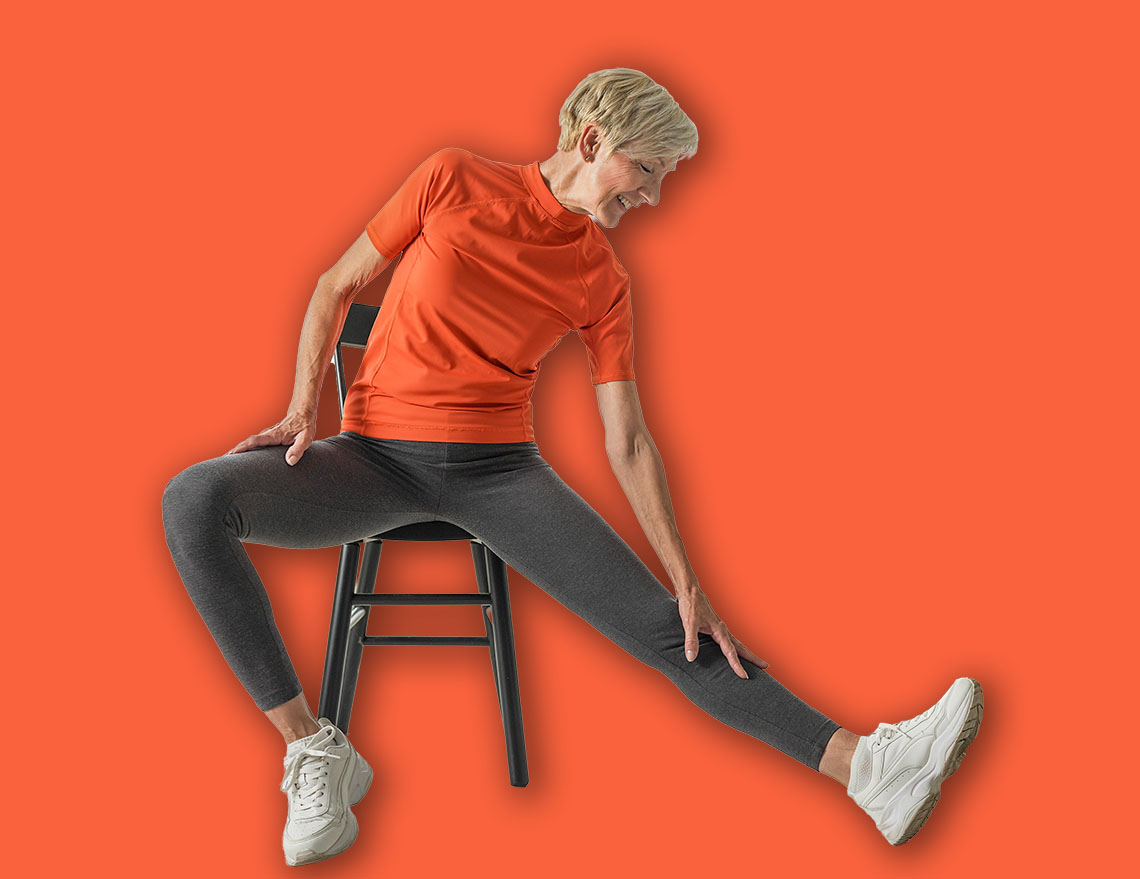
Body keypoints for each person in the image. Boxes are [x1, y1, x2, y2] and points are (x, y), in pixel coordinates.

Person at [161, 68, 983, 866]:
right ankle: (314, 750)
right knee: (193, 498)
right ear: (592, 140)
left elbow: (626, 439)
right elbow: (336, 285)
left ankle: (870, 770)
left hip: (498, 475)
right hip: (371, 458)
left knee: (676, 628)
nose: (653, 197)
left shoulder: (602, 278)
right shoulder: (452, 178)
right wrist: (305, 406)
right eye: (647, 171)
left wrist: (687, 579)